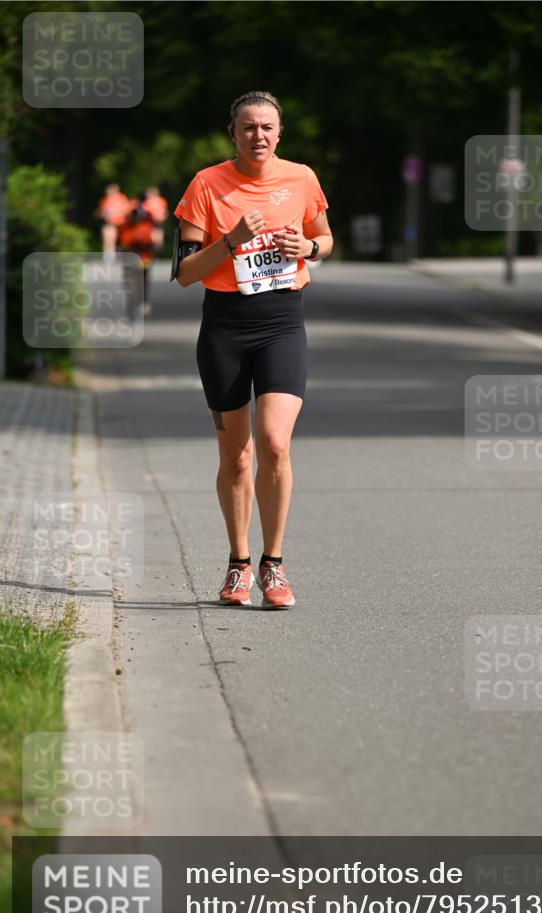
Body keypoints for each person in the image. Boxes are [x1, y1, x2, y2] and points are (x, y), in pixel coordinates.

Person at [172, 90, 333, 608]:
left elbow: (325, 238)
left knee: (275, 444)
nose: (258, 135)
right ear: (233, 134)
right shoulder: (207, 184)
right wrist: (231, 239)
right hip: (225, 327)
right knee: (236, 457)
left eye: (266, 127)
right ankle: (239, 563)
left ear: (279, 133)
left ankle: (274, 565)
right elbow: (182, 273)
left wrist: (308, 248)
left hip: (283, 322)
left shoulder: (302, 178)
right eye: (248, 127)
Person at [117, 192, 157, 314]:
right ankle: (131, 302)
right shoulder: (126, 226)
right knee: (129, 281)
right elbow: (120, 242)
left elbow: (151, 242)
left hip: (144, 256)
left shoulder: (146, 224)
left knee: (144, 279)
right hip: (129, 256)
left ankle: (144, 302)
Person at [96, 183, 129, 259]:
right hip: (109, 223)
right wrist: (103, 214)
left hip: (120, 224)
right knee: (108, 240)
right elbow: (100, 211)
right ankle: (108, 257)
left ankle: (116, 256)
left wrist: (117, 212)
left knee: (118, 242)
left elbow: (127, 210)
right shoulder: (105, 199)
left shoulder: (121, 198)